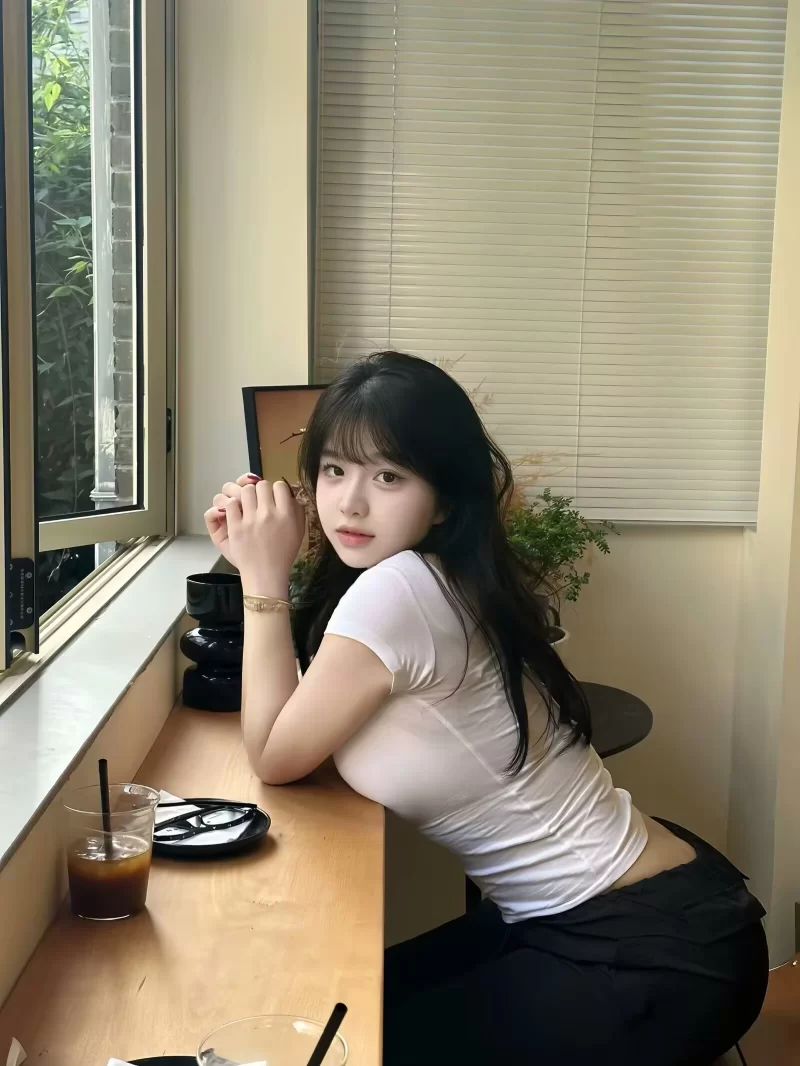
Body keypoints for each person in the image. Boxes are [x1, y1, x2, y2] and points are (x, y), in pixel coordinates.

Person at [205, 351, 768, 1066]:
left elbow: (274, 755)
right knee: (329, 1020)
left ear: (443, 499)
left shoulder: (399, 592)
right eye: (334, 470)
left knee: (345, 1048)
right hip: (607, 913)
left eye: (388, 477)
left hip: (646, 952)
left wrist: (261, 576)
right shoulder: (438, 574)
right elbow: (298, 726)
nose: (349, 503)